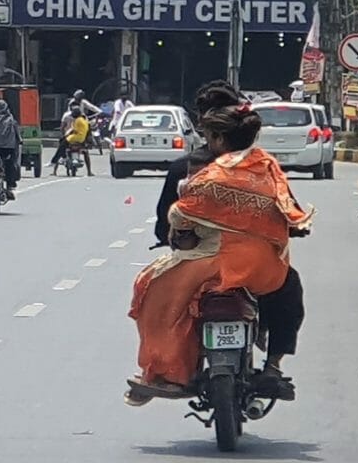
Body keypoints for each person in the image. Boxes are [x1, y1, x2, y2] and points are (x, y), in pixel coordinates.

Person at [127, 95, 313, 406]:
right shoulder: (267, 166)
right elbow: (288, 208)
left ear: (218, 138)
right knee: (289, 292)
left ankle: (163, 370)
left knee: (151, 291)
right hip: (264, 270)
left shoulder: (207, 172)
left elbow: (177, 217)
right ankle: (273, 366)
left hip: (211, 265)